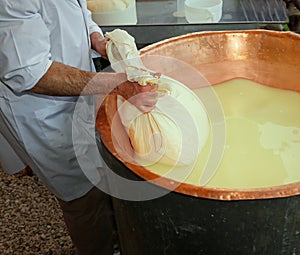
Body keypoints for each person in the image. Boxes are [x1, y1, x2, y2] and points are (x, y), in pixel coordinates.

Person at [0, 0, 158, 254]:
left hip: (77, 90)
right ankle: (100, 247)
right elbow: (29, 72)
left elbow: (76, 11)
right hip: (42, 112)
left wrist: (95, 37)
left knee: (97, 171)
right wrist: (115, 83)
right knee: (80, 195)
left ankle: (113, 230)